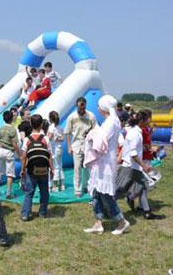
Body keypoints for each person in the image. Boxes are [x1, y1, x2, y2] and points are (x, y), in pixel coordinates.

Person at [83, 95, 130, 235]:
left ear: (104, 107)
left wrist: (91, 135)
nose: (97, 108)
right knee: (97, 193)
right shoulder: (110, 121)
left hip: (105, 162)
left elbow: (101, 140)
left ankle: (121, 221)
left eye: (99, 106)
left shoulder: (110, 123)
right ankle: (98, 223)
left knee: (105, 194)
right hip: (103, 162)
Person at [116, 111, 163, 220]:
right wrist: (144, 166)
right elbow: (133, 154)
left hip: (132, 167)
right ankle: (104, 206)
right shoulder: (136, 134)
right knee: (120, 191)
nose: (149, 121)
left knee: (143, 187)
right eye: (148, 119)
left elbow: (135, 150)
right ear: (142, 120)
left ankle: (147, 212)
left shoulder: (136, 132)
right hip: (130, 167)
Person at [20, 114, 54, 221]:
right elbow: (49, 155)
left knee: (29, 192)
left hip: (31, 170)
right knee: (44, 192)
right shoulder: (45, 139)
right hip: (43, 170)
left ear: (30, 124)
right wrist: (52, 169)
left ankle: (25, 214)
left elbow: (24, 156)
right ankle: (42, 212)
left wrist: (22, 170)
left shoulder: (27, 139)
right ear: (41, 125)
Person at [64, 97, 97, 197]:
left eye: (83, 107)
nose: (81, 110)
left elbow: (96, 130)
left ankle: (87, 186)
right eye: (80, 108)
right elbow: (67, 133)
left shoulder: (91, 116)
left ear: (85, 105)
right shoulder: (72, 117)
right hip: (76, 144)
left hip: (88, 144)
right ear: (76, 106)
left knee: (87, 166)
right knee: (77, 167)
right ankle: (77, 189)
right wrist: (69, 147)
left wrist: (91, 135)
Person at [0, 111, 21, 199]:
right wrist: (19, 154)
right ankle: (8, 193)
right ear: (12, 118)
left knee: (0, 172)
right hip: (8, 151)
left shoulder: (1, 128)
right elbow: (15, 144)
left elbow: (0, 140)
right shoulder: (12, 129)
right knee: (10, 174)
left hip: (0, 150)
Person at [47, 111, 65, 192]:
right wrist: (58, 138)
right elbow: (62, 138)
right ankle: (62, 184)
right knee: (60, 166)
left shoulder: (51, 127)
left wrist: (48, 137)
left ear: (50, 119)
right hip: (60, 148)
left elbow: (49, 137)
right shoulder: (60, 127)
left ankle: (55, 186)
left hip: (54, 149)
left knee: (55, 167)